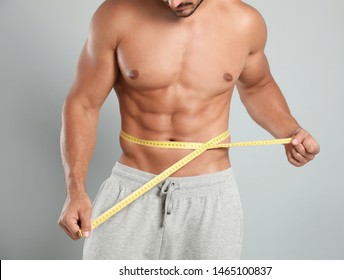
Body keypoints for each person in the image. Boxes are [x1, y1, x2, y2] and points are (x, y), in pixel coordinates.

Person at [58, 0, 320, 260]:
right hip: (132, 186)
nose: (175, 2)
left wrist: (290, 130)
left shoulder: (244, 22)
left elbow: (257, 87)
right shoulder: (116, 15)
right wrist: (75, 191)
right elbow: (83, 104)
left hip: (210, 199)